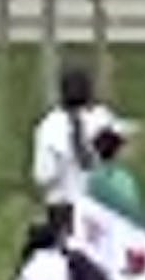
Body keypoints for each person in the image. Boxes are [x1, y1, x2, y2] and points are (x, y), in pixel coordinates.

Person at [32, 67, 117, 210]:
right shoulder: (104, 118)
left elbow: (44, 176)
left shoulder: (49, 126)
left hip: (62, 209)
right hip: (99, 209)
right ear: (90, 92)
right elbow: (114, 166)